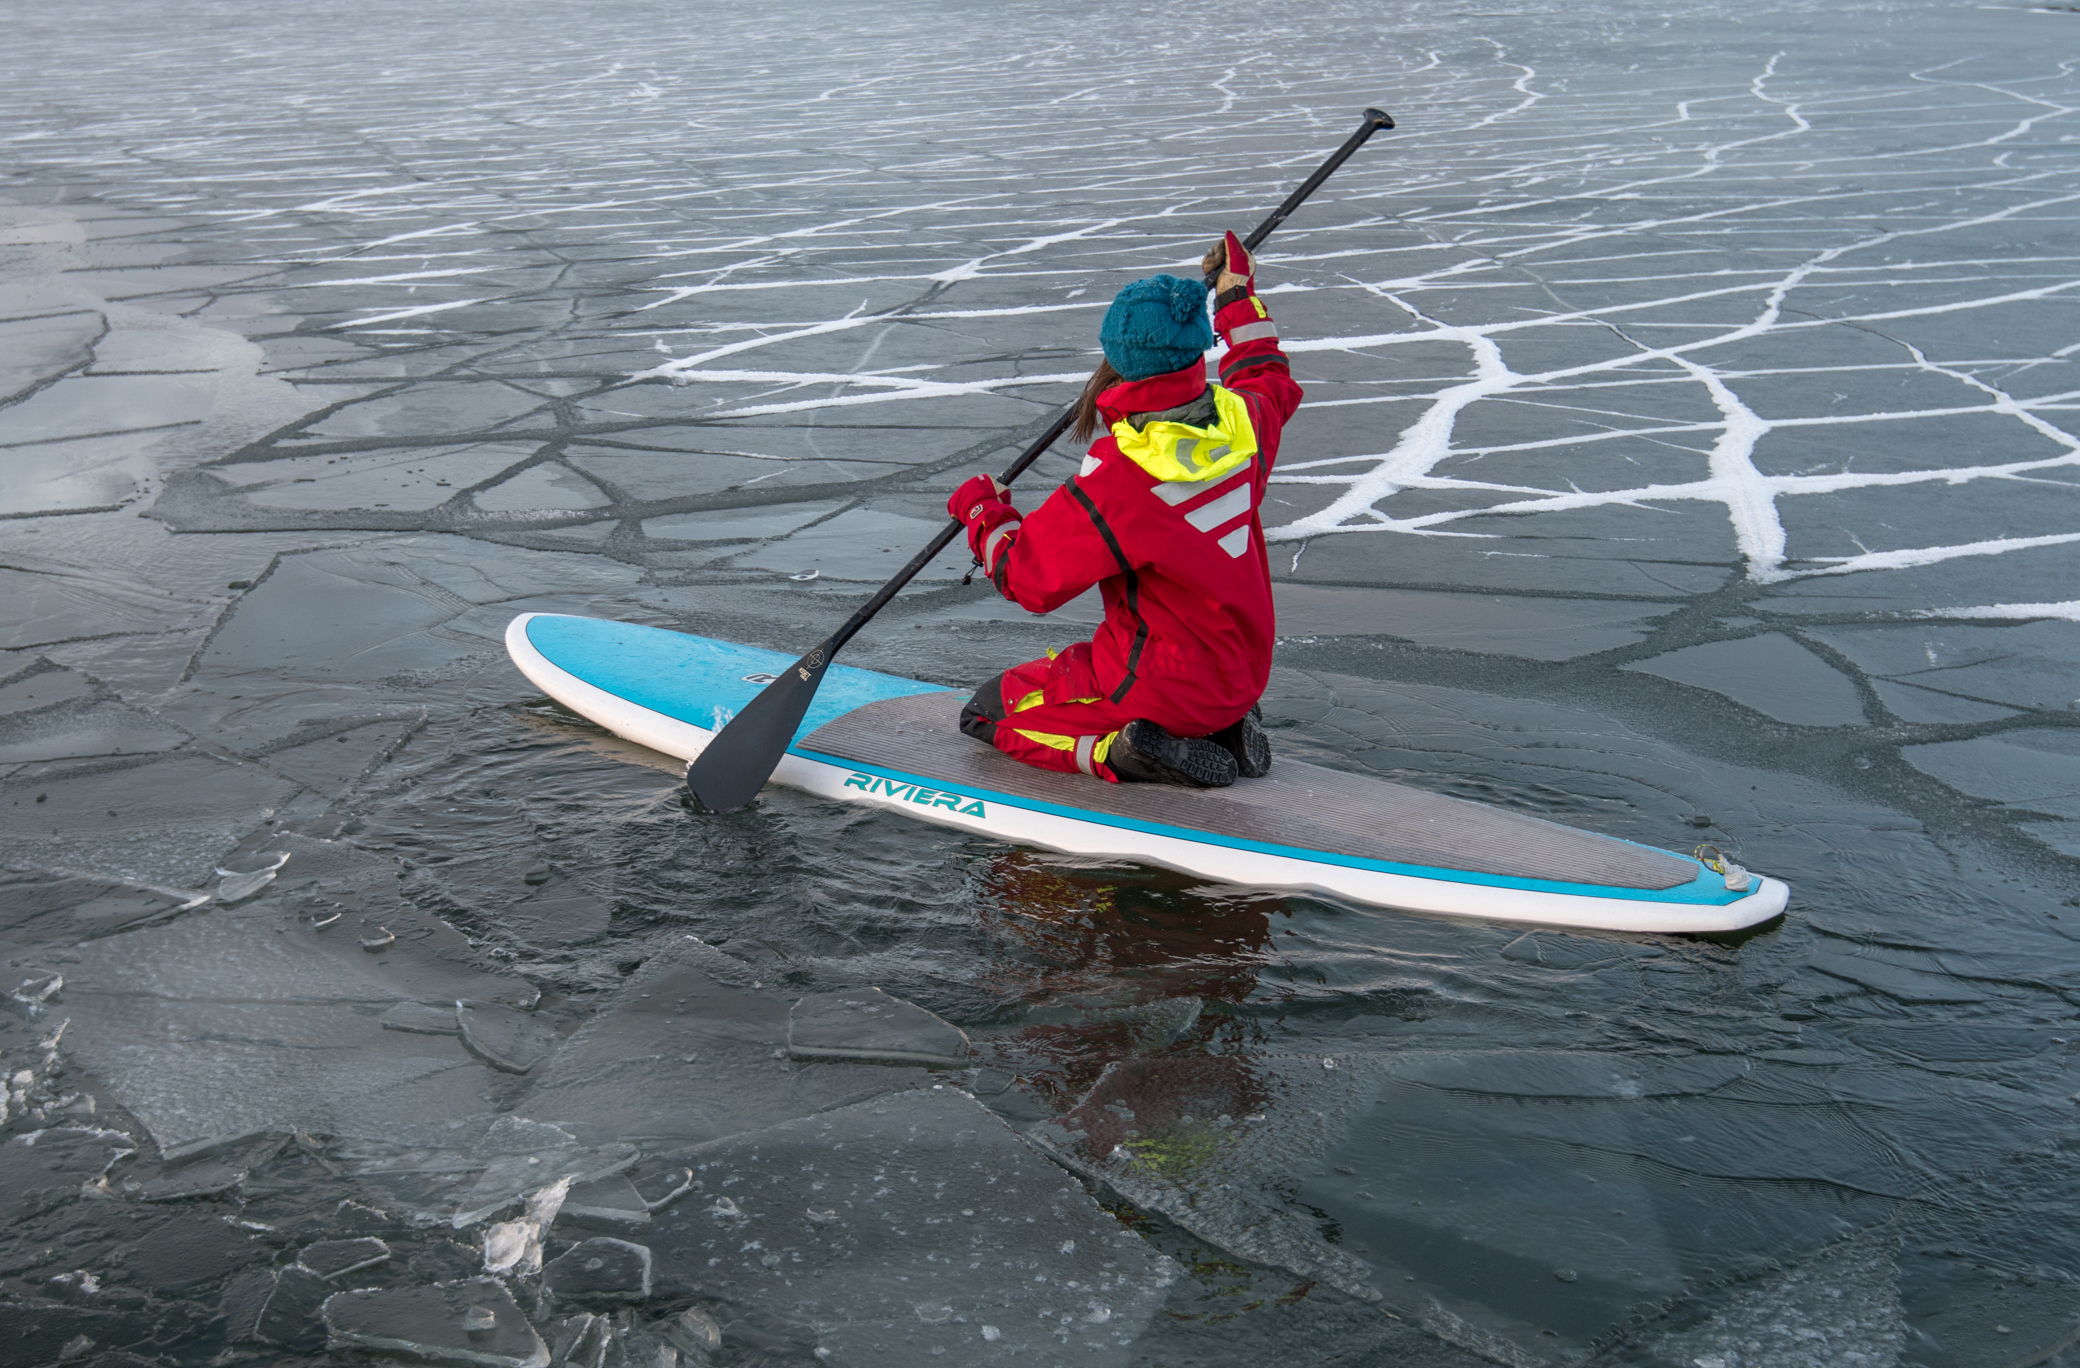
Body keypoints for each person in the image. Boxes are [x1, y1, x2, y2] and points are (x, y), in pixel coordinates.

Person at [946, 231, 1302, 788]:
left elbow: (1030, 579)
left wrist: (982, 513)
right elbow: (1264, 371)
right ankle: (1223, 727)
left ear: (1118, 357)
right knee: (1187, 674)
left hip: (1158, 685)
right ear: (1193, 348)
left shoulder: (1121, 479)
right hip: (1244, 675)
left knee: (989, 712)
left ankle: (1122, 751)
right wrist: (1237, 293)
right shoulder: (1247, 421)